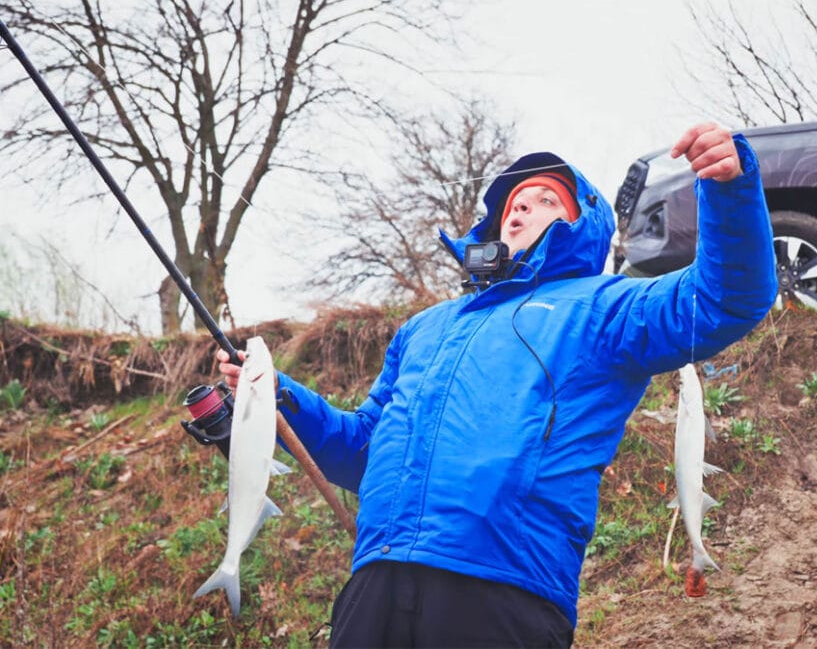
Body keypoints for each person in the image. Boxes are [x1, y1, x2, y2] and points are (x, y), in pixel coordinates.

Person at [215, 123, 777, 647]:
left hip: (505, 594)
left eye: (545, 201)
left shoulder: (605, 308)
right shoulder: (424, 329)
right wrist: (272, 396)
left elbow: (726, 299)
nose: (520, 212)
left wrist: (729, 191)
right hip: (374, 586)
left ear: (581, 225)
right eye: (514, 204)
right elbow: (363, 451)